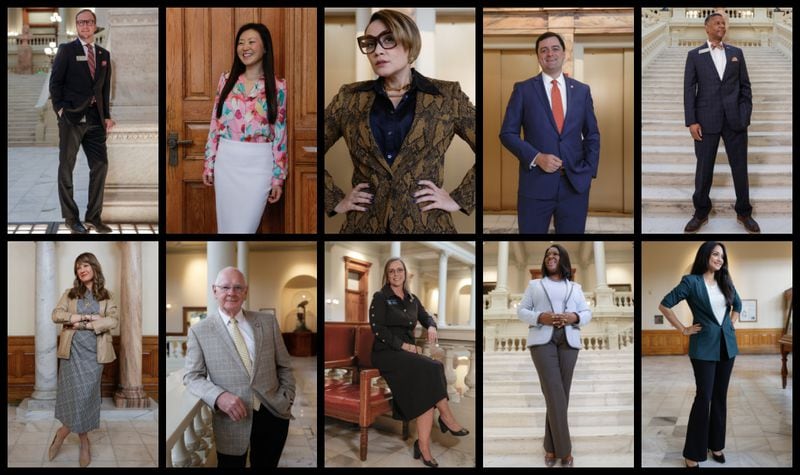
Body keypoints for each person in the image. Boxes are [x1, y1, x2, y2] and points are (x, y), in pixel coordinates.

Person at [324, 9, 475, 234]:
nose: (378, 51)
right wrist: (334, 199)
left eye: (388, 40)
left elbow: (491, 144)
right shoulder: (349, 98)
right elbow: (308, 150)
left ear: (409, 44)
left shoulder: (447, 95)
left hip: (426, 224)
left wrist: (459, 198)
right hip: (365, 225)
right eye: (370, 43)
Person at [184, 267, 295, 467]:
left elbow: (285, 365)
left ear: (246, 291)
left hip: (273, 412)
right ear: (214, 290)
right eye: (225, 287)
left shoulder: (267, 322)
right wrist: (218, 397)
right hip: (231, 418)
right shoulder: (199, 331)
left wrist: (287, 398)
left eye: (237, 287)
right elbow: (192, 377)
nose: (231, 293)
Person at [369, 257, 470, 467]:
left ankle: (423, 446)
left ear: (405, 273)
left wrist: (431, 326)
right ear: (386, 276)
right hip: (387, 352)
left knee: (429, 384)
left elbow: (427, 317)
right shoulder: (380, 297)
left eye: (399, 270)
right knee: (433, 367)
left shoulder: (413, 299)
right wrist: (403, 346)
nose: (396, 274)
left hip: (408, 355)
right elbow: (378, 329)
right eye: (391, 271)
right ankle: (446, 417)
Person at [500, 32, 600, 234]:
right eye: (543, 50)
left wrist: (589, 170)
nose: (549, 54)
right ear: (538, 56)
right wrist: (536, 157)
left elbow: (592, 135)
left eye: (555, 48)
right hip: (535, 185)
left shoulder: (582, 91)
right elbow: (507, 133)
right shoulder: (523, 90)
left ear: (564, 54)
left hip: (575, 186)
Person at [658, 241, 740, 468]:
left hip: (727, 347)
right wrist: (683, 329)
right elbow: (665, 305)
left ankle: (716, 445)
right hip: (703, 347)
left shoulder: (726, 282)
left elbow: (738, 306)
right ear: (705, 256)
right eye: (715, 254)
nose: (719, 259)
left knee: (720, 397)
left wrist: (730, 324)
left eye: (722, 256)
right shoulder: (691, 282)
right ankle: (692, 452)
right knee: (704, 397)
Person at [203, 23, 287, 233]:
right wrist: (209, 163)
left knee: (246, 228)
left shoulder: (278, 86)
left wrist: (278, 178)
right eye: (240, 43)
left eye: (251, 42)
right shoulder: (226, 80)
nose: (245, 47)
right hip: (227, 161)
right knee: (226, 228)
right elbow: (216, 122)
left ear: (265, 47)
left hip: (259, 165)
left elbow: (280, 133)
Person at [683, 12, 759, 234]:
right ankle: (701, 212)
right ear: (706, 27)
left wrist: (745, 114)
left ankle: (744, 212)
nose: (721, 26)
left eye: (723, 23)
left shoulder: (737, 53)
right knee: (704, 169)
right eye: (717, 23)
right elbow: (689, 90)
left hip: (735, 120)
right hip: (706, 121)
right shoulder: (695, 55)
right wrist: (692, 121)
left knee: (740, 168)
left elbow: (746, 87)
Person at [517, 244, 592, 467]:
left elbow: (587, 312)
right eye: (548, 254)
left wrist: (574, 317)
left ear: (563, 260)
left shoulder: (575, 287)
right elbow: (521, 310)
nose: (551, 257)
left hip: (569, 340)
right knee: (554, 392)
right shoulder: (535, 284)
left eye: (555, 254)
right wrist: (541, 317)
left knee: (561, 395)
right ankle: (565, 451)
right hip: (542, 341)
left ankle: (550, 448)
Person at [49, 252, 119, 467]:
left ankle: (62, 433)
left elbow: (113, 320)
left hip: (94, 355)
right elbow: (56, 315)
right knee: (72, 397)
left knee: (86, 397)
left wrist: (90, 325)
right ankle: (83, 441)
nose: (82, 269)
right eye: (78, 267)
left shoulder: (107, 295)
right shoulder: (70, 294)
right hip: (71, 352)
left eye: (86, 265)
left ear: (94, 268)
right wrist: (82, 317)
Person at [49, 9, 115, 234]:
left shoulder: (104, 55)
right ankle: (71, 218)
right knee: (67, 167)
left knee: (100, 165)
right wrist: (59, 109)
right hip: (72, 118)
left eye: (89, 22)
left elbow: (104, 89)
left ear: (95, 25)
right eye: (80, 22)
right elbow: (55, 83)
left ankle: (93, 217)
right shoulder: (67, 50)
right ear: (76, 26)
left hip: (96, 119)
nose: (85, 25)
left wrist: (106, 115)